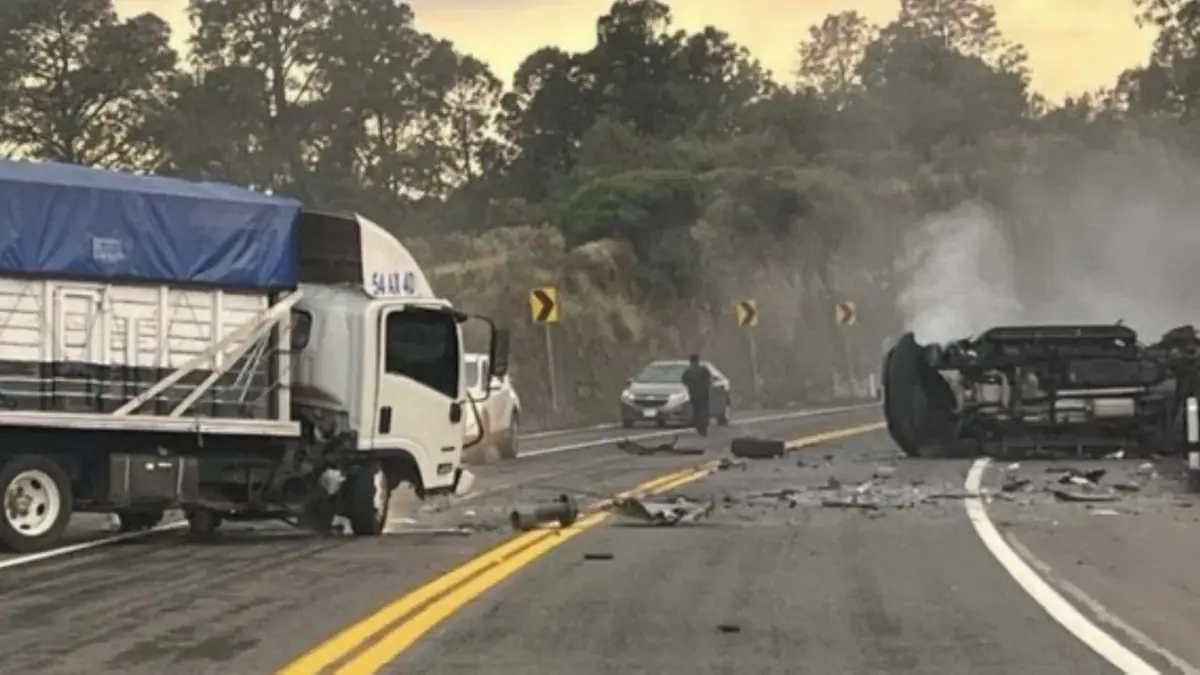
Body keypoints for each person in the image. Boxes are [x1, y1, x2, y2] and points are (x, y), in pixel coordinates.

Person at [681, 353, 713, 436]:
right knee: (704, 410)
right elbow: (710, 378)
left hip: (694, 393)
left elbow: (684, 380)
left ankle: (699, 427)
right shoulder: (703, 369)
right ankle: (704, 427)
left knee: (696, 410)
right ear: (698, 360)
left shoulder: (688, 371)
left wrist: (690, 386)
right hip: (704, 393)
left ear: (690, 361)